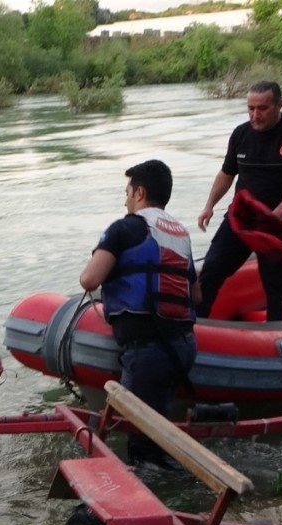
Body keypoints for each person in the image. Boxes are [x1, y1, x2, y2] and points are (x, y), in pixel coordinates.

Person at [79, 159, 199, 470]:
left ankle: (165, 490)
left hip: (147, 351)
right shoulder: (180, 235)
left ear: (140, 193)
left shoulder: (124, 228)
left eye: (127, 193)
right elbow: (196, 296)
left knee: (142, 448)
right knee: (156, 430)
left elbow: (89, 280)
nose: (125, 201)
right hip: (183, 347)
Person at [195, 81, 282, 322]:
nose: (255, 115)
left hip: (277, 224)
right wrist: (209, 206)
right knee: (212, 269)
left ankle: (277, 332)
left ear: (279, 105)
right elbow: (227, 173)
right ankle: (195, 327)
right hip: (242, 218)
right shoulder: (240, 134)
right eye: (250, 108)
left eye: (262, 108)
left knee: (275, 284)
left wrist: (279, 212)